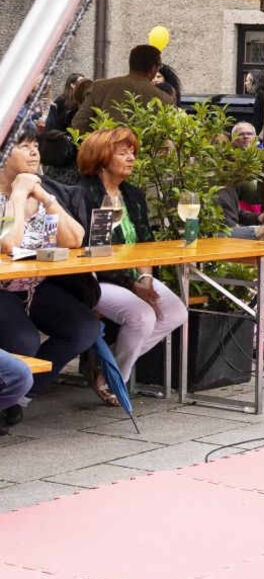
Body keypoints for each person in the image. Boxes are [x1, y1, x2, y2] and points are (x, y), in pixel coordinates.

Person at [70, 127, 188, 398]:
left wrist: (146, 278)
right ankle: (116, 379)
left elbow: (145, 244)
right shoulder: (83, 193)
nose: (131, 158)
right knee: (142, 315)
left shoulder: (132, 195)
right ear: (101, 157)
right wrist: (135, 286)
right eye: (123, 153)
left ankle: (107, 364)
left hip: (135, 275)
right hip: (94, 278)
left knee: (176, 312)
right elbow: (90, 252)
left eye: (132, 153)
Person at [0, 127, 96, 403]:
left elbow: (76, 238)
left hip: (34, 285)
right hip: (2, 288)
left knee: (83, 328)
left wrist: (45, 198)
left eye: (35, 146)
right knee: (24, 341)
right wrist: (18, 196)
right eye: (24, 146)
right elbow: (8, 244)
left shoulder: (40, 193)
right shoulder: (10, 196)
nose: (34, 152)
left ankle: (21, 397)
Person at [71, 44, 175, 130]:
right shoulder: (163, 99)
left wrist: (100, 143)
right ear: (153, 68)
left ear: (131, 63)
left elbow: (79, 122)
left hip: (102, 151)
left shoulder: (99, 87)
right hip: (139, 153)